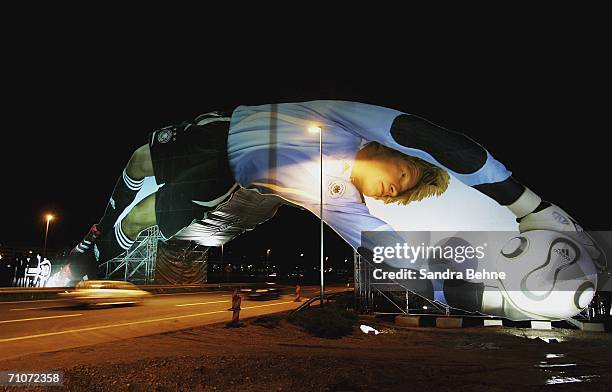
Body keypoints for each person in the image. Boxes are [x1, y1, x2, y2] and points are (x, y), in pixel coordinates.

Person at [67, 100, 605, 319]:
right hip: (225, 125)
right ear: (396, 156)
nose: (393, 191)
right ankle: (100, 226)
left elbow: (393, 256)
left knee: (143, 220)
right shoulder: (349, 125)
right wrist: (533, 207)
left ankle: (105, 241)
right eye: (403, 178)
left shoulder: (342, 200)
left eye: (397, 196)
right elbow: (438, 140)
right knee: (141, 155)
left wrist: (490, 299)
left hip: (224, 177)